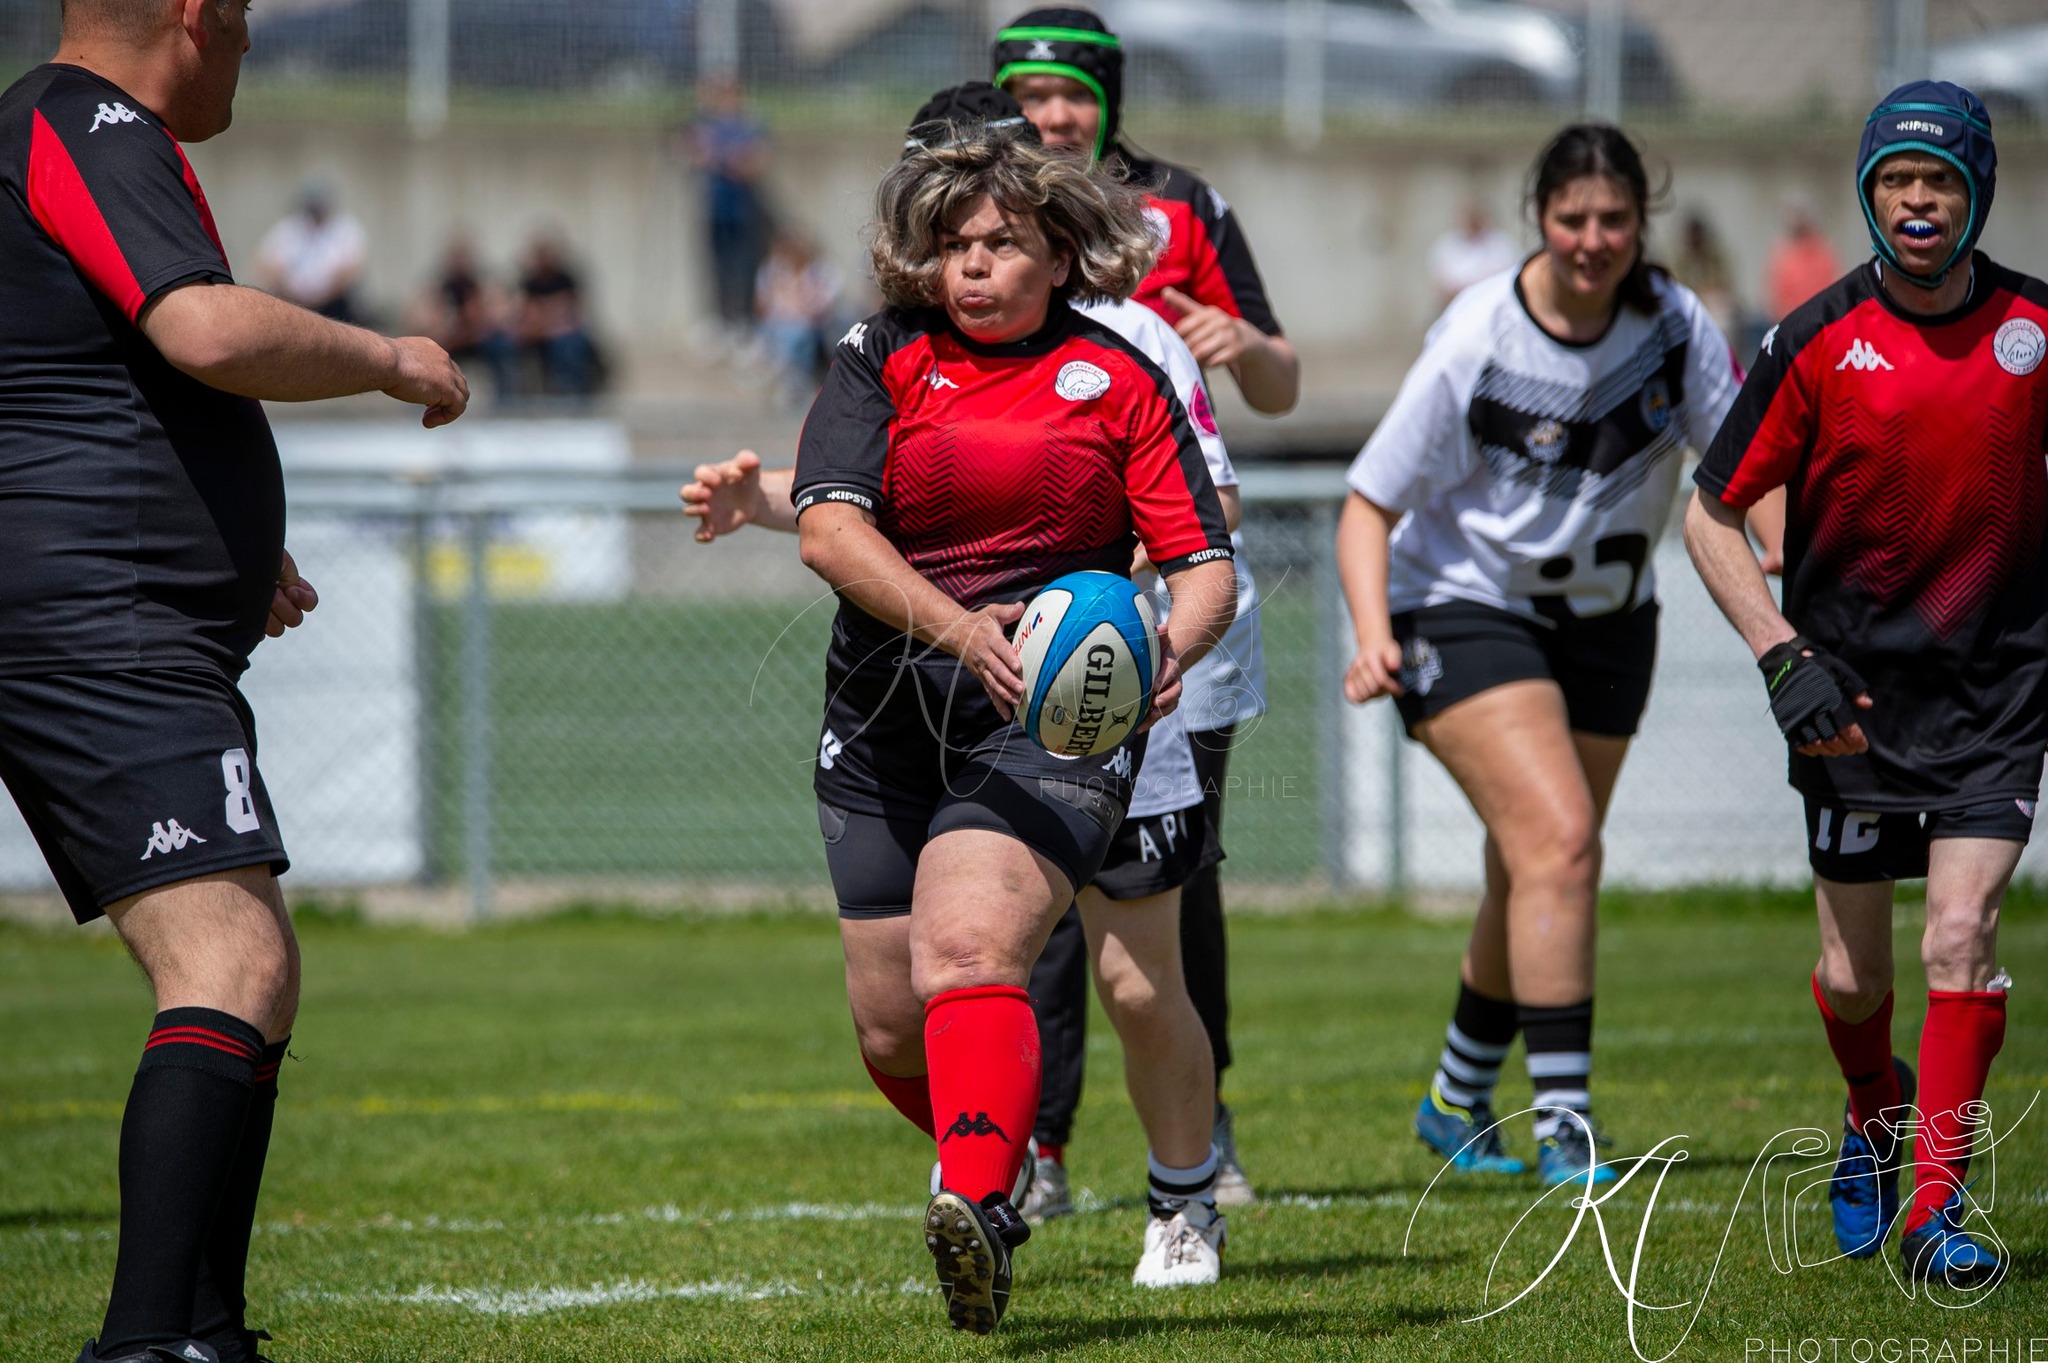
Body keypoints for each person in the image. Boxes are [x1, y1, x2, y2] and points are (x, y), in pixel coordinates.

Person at [682, 83, 1243, 1297]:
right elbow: (831, 530)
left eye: (998, 243)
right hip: (885, 708)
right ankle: (986, 1159)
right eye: (952, 247)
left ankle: (1005, 1203)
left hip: (1049, 718)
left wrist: (1166, 652)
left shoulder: (1119, 374)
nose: (974, 267)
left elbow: (1205, 565)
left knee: (984, 946)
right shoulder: (877, 356)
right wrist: (947, 622)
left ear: (1055, 247)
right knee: (892, 1024)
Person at [0, 3, 469, 1361]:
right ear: (196, 13)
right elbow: (201, 328)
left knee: (251, 963)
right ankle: (148, 1343)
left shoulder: (62, 133)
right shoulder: (85, 121)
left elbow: (82, 375)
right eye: (249, 17)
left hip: (119, 607)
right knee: (230, 957)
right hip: (104, 624)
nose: (253, 46)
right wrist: (389, 357)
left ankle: (202, 1333)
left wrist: (234, 541)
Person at [1337, 125, 1741, 1187]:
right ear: (1538, 217)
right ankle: (1566, 1121)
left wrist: (1795, 556)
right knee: (1560, 845)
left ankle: (1454, 1097)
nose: (1592, 239)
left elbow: (1743, 459)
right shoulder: (1478, 335)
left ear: (1639, 224)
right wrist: (1375, 635)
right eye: (1572, 218)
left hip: (1610, 621)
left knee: (1534, 865)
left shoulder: (1671, 324)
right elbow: (1365, 503)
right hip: (1459, 610)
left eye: (1613, 219)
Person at [1685, 81, 2038, 1289]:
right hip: (1850, 704)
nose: (1916, 202)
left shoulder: (2035, 332)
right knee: (1852, 976)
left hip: (1998, 693)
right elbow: (1708, 512)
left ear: (1976, 190)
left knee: (1959, 935)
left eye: (1938, 181)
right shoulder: (1815, 337)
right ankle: (1865, 1114)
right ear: (1867, 196)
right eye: (1895, 181)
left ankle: (1932, 1212)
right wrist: (1780, 654)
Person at [994, 4, 1274, 1210]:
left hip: (1175, 600)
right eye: (1027, 95)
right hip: (1041, 604)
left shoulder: (1183, 212)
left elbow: (1275, 377)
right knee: (1042, 882)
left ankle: (1199, 1136)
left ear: (1106, 96)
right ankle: (1043, 1145)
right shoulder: (982, 211)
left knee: (1170, 881)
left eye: (1070, 94)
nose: (1049, 115)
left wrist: (1242, 340)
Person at [688, 73, 770, 335]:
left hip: (743, 210)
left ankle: (744, 321)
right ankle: (720, 321)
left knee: (744, 266)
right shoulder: (707, 125)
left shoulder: (751, 126)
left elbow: (752, 164)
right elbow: (696, 155)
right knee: (717, 266)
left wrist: (724, 158)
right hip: (715, 208)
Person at [406, 233, 517, 399]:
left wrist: (476, 322)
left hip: (477, 338)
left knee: (500, 345)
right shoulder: (440, 286)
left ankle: (506, 398)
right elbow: (424, 318)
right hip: (450, 338)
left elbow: (498, 314)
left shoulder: (480, 283)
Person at [253, 181, 365, 323]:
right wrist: (289, 290)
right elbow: (266, 264)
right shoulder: (289, 228)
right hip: (291, 301)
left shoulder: (345, 229)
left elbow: (353, 268)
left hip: (334, 304)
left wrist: (323, 295)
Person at [754, 229, 842, 409]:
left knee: (798, 335)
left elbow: (818, 307)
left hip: (808, 326)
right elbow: (762, 305)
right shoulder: (775, 270)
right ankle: (789, 381)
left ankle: (796, 383)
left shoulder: (818, 272)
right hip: (780, 324)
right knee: (784, 334)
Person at [515, 234, 599, 399]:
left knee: (573, 345)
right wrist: (552, 311)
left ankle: (576, 397)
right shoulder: (529, 282)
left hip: (564, 334)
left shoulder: (566, 278)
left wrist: (545, 313)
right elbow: (528, 315)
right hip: (539, 335)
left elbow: (571, 312)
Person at [1428, 200, 1520, 311]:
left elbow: (1511, 277)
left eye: (1476, 217)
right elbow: (1440, 284)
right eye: (1467, 217)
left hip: (1495, 307)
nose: (1472, 221)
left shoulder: (1503, 244)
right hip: (1455, 307)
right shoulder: (1447, 246)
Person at [1766, 203, 1841, 322]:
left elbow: (1835, 287)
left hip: (1821, 320)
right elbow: (1775, 297)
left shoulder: (1823, 250)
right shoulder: (1783, 253)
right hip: (1793, 321)